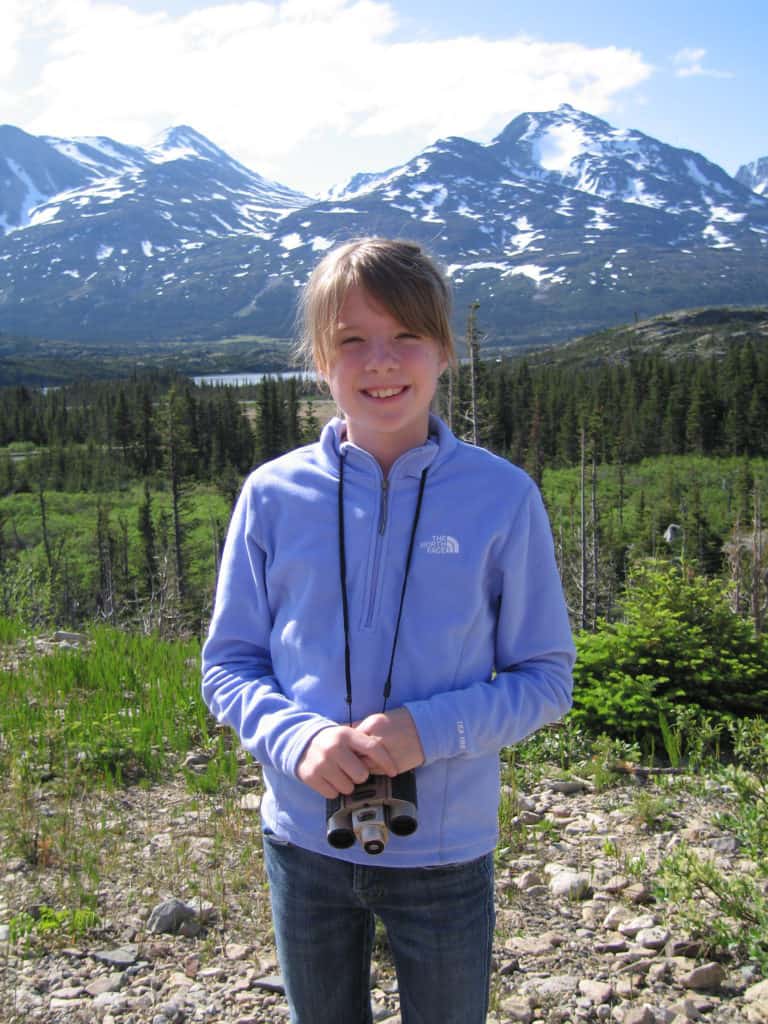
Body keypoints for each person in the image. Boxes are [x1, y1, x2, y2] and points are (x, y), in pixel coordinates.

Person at [201, 237, 575, 1024]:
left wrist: (425, 731)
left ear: (444, 350)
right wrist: (296, 738)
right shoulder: (272, 496)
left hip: (445, 847)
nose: (381, 362)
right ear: (318, 360)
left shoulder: (500, 497)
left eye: (406, 336)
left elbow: (545, 677)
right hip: (302, 840)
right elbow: (230, 664)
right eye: (351, 341)